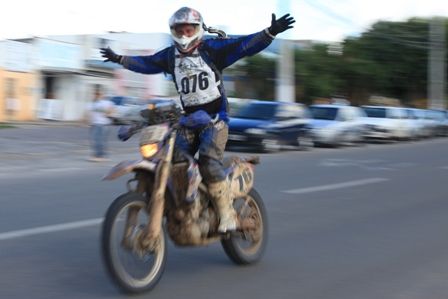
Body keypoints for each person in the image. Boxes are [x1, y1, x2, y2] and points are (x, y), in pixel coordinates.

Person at [100, 7, 295, 232]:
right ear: (173, 31)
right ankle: (186, 203)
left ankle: (227, 214)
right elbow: (147, 63)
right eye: (179, 30)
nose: (184, 34)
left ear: (197, 29)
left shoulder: (211, 48)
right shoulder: (169, 56)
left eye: (188, 29)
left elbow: (243, 46)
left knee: (209, 163)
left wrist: (270, 32)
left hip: (215, 120)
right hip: (189, 121)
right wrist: (120, 59)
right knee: (172, 160)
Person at [87, 85, 115, 162]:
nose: (96, 95)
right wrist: (87, 122)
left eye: (98, 93)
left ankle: (100, 155)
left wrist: (108, 113)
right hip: (94, 124)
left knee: (100, 141)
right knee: (95, 140)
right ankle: (99, 155)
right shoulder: (92, 103)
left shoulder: (107, 103)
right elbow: (89, 113)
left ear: (102, 94)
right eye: (95, 94)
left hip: (103, 124)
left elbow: (112, 111)